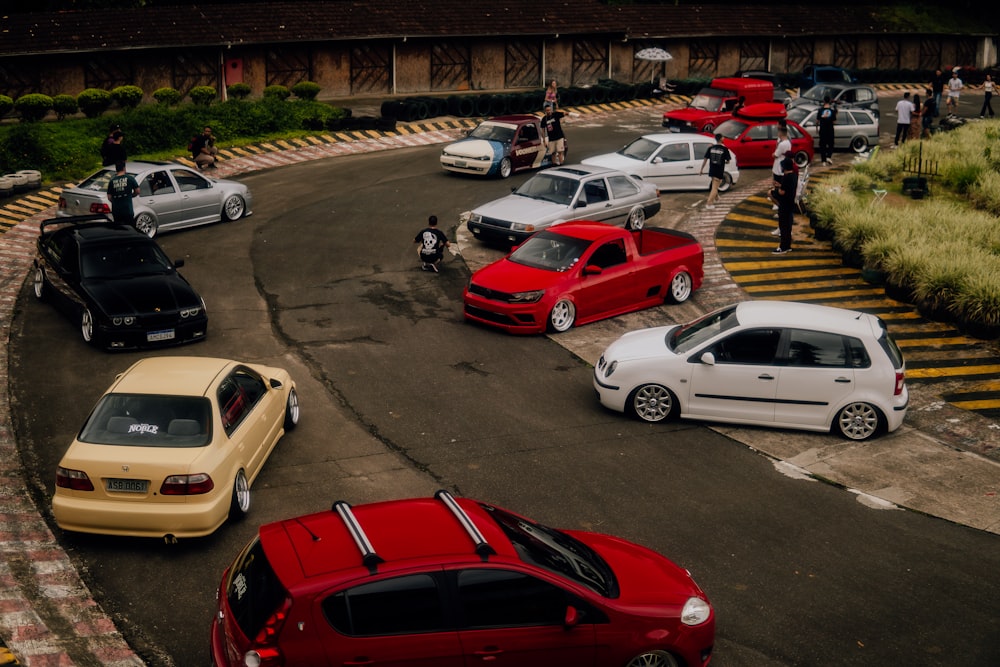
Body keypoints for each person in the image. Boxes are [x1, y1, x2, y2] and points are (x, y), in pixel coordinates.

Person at [768, 125, 791, 234]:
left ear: (781, 133)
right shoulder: (788, 143)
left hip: (778, 168)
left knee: (776, 191)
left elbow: (775, 155)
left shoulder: (782, 144)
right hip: (780, 168)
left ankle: (779, 207)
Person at [699, 133, 731, 210]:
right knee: (715, 188)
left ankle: (716, 198)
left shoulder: (711, 148)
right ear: (721, 139)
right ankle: (709, 203)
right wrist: (725, 162)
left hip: (712, 170)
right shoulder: (724, 149)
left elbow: (705, 159)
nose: (724, 138)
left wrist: (701, 169)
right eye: (723, 137)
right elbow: (728, 161)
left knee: (714, 184)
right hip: (719, 170)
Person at [773, 157, 798, 255]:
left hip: (784, 205)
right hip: (791, 203)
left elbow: (782, 192)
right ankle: (787, 246)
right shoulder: (794, 176)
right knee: (788, 227)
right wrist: (780, 185)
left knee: (783, 227)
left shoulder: (786, 177)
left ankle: (783, 247)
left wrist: (776, 190)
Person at [106, 162, 139, 227]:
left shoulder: (112, 181)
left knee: (119, 230)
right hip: (127, 210)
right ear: (124, 168)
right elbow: (137, 191)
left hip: (116, 211)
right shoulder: (130, 178)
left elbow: (109, 197)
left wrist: (116, 201)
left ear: (116, 169)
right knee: (130, 229)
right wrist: (131, 196)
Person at [817, 96, 837, 165]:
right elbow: (834, 122)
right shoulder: (832, 111)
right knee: (831, 144)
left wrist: (817, 128)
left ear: (824, 101)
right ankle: (828, 156)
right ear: (830, 101)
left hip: (822, 130)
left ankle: (823, 161)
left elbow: (817, 121)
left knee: (822, 145)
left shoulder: (820, 110)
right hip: (830, 130)